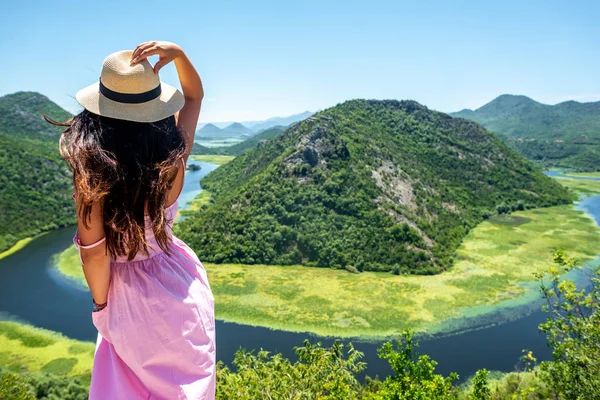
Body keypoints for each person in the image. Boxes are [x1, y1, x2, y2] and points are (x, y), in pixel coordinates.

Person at [47, 41, 216, 399]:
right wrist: (182, 56)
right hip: (179, 282)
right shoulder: (174, 160)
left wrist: (102, 305)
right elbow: (194, 98)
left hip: (126, 295)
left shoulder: (91, 178)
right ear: (155, 111)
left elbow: (94, 253)